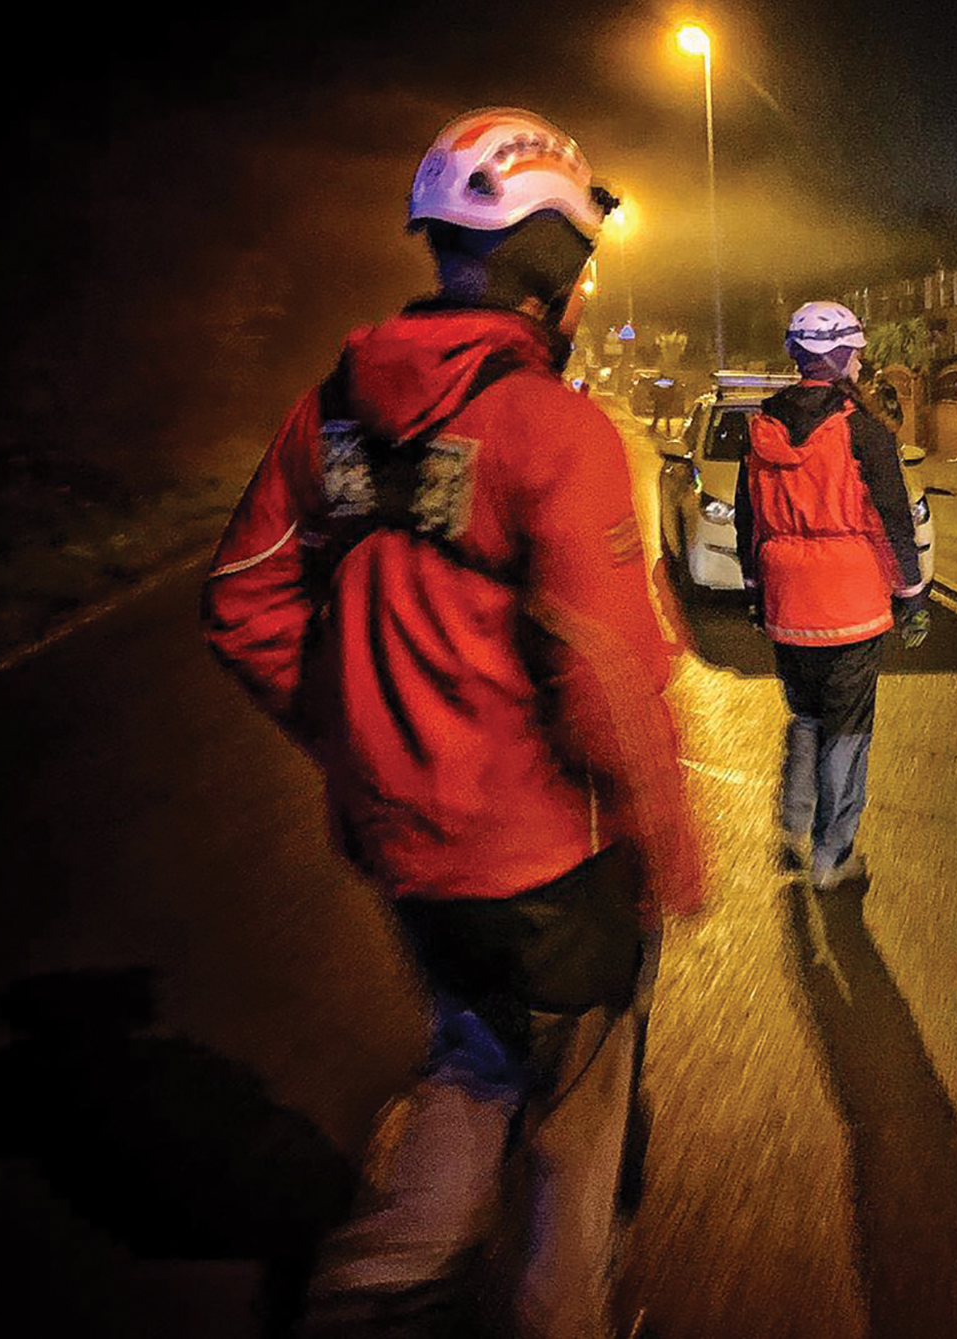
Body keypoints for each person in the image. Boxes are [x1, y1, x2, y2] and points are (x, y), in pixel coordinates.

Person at [202, 107, 704, 1338]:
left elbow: (244, 597)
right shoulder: (554, 429)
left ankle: (371, 1284)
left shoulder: (331, 412)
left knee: (472, 1053)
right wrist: (668, 850)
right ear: (561, 275)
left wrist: (355, 739)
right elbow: (603, 676)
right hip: (551, 865)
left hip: (406, 852)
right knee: (578, 1125)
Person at [734, 301, 929, 891]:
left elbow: (749, 520)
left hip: (786, 603)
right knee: (849, 727)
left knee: (805, 715)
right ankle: (832, 852)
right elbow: (893, 516)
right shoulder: (861, 430)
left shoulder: (762, 425)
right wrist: (913, 596)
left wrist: (755, 589)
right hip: (851, 604)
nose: (861, 360)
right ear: (842, 356)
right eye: (856, 351)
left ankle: (791, 822)